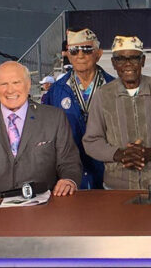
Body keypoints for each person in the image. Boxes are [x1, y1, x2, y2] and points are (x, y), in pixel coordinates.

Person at [0, 62, 81, 202]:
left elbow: (69, 163)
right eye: (3, 84)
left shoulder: (54, 118)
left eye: (16, 82)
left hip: (44, 208)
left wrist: (68, 180)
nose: (10, 90)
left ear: (28, 84)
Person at [83, 36, 151, 190]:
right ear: (113, 63)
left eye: (134, 58)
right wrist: (119, 154)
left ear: (143, 61)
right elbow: (91, 141)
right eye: (120, 59)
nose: (127, 64)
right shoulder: (103, 94)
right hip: (116, 186)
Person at [42, 29, 114, 189]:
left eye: (87, 50)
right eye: (74, 50)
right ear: (67, 54)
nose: (80, 55)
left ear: (99, 53)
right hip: (70, 177)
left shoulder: (115, 88)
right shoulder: (55, 91)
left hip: (109, 172)